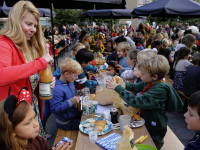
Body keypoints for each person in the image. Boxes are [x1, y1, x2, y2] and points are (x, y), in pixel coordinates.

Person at [0, 1, 55, 138]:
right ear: (15, 22)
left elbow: (29, 79)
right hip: (15, 119)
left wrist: (46, 82)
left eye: (35, 25)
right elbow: (2, 75)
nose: (34, 30)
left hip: (31, 113)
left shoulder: (29, 47)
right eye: (29, 24)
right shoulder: (4, 44)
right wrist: (40, 63)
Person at [107, 55, 183, 150]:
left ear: (155, 76)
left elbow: (136, 101)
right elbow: (134, 87)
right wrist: (120, 83)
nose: (139, 75)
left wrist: (118, 88)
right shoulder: (149, 82)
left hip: (155, 129)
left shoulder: (160, 90)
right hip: (147, 122)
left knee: (151, 145)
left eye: (143, 74)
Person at [0, 87, 72, 150]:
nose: (36, 124)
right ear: (12, 131)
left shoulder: (38, 140)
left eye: (34, 117)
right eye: (28, 123)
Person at [50, 58, 82, 130]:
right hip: (66, 122)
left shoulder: (69, 82)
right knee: (87, 125)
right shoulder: (57, 89)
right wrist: (71, 101)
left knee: (88, 116)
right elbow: (54, 108)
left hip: (72, 114)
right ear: (66, 74)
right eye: (75, 76)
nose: (76, 78)